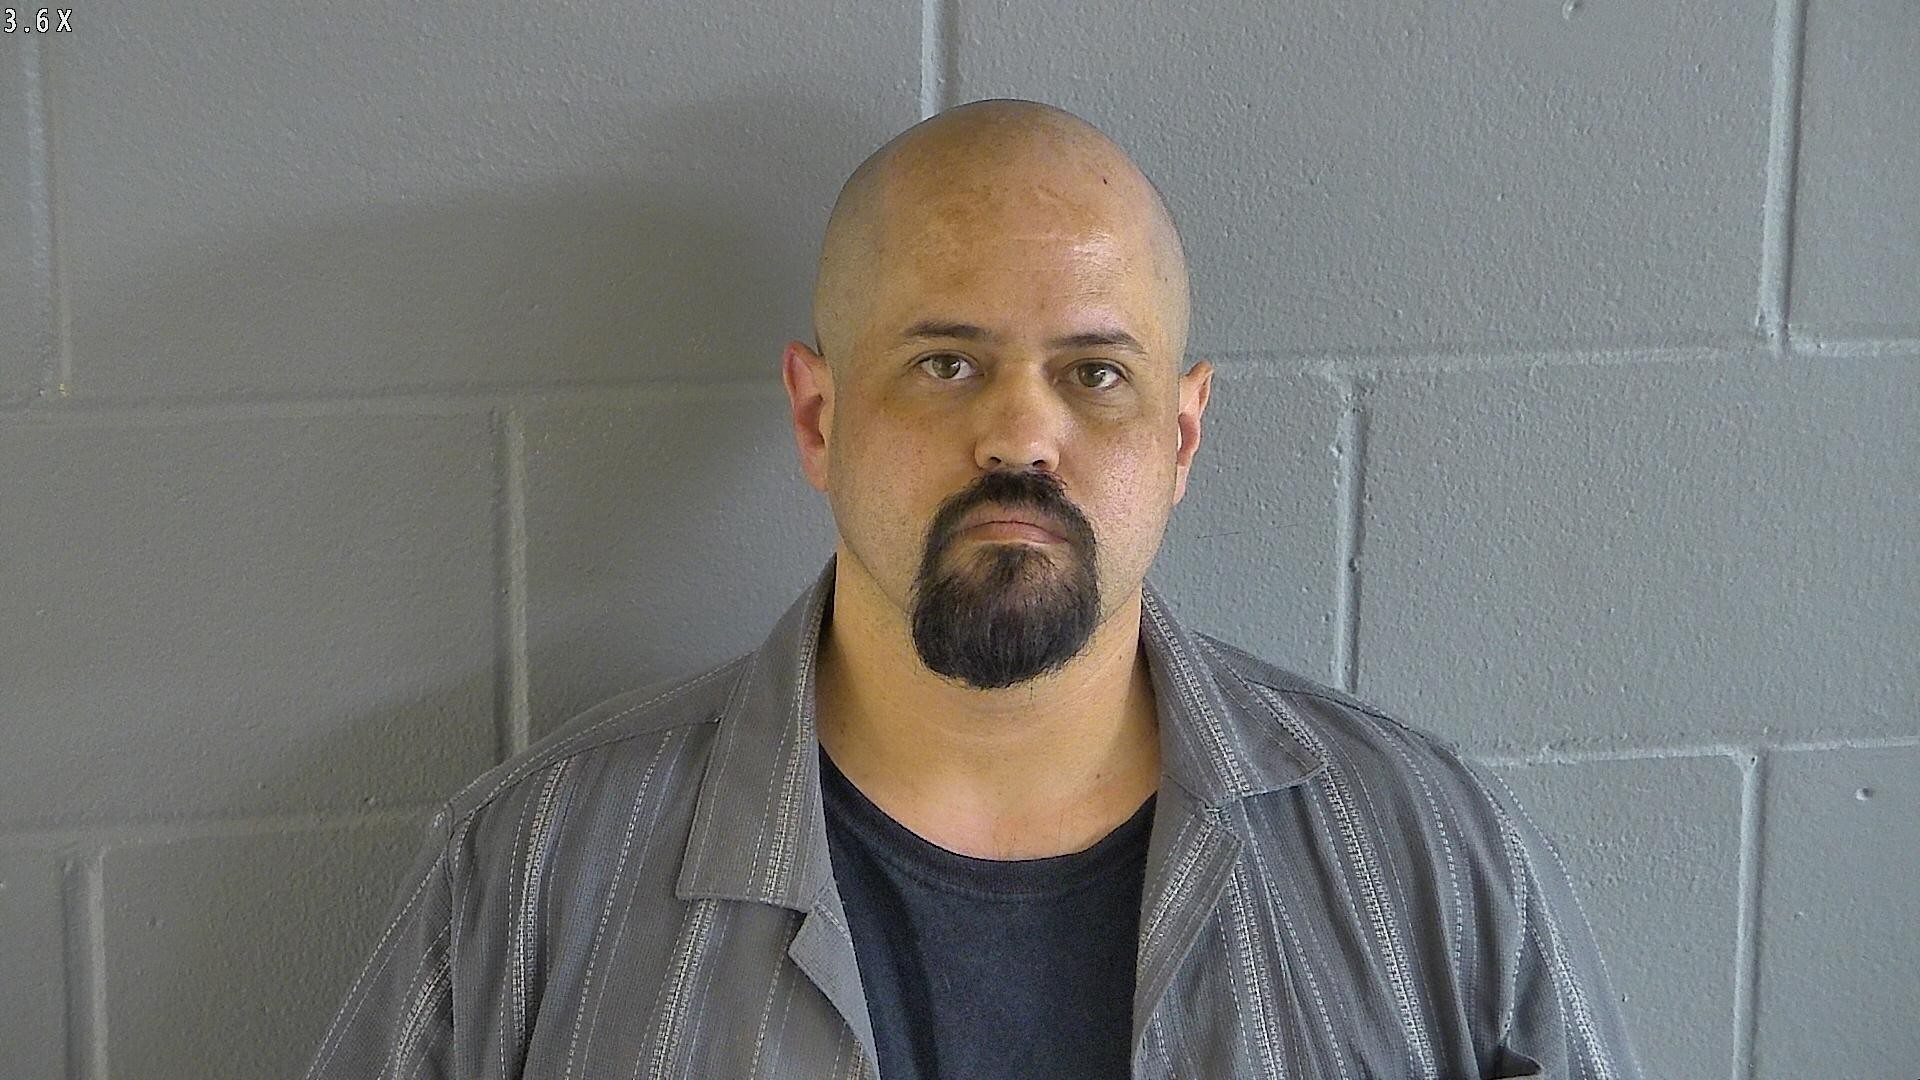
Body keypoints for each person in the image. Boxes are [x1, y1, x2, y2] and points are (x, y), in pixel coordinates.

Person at [304, 98, 1645, 1080]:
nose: (1020, 436)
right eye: (944, 364)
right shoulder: (537, 874)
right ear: (819, 415)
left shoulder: (1432, 865)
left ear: (1182, 438)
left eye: (1095, 373)